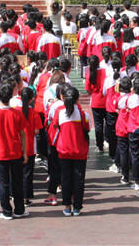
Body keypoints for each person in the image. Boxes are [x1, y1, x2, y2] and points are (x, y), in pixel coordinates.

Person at [0, 83, 28, 220]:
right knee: (17, 181)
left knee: (3, 182)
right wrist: (25, 152)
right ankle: (19, 209)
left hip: (1, 152)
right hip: (15, 151)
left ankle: (7, 211)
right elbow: (23, 134)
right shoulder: (17, 113)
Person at [51, 87, 90, 216]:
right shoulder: (83, 115)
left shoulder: (59, 112)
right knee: (79, 179)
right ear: (77, 99)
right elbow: (87, 128)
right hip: (80, 151)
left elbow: (55, 125)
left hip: (64, 150)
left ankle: (67, 206)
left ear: (63, 98)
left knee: (66, 178)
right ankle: (77, 207)